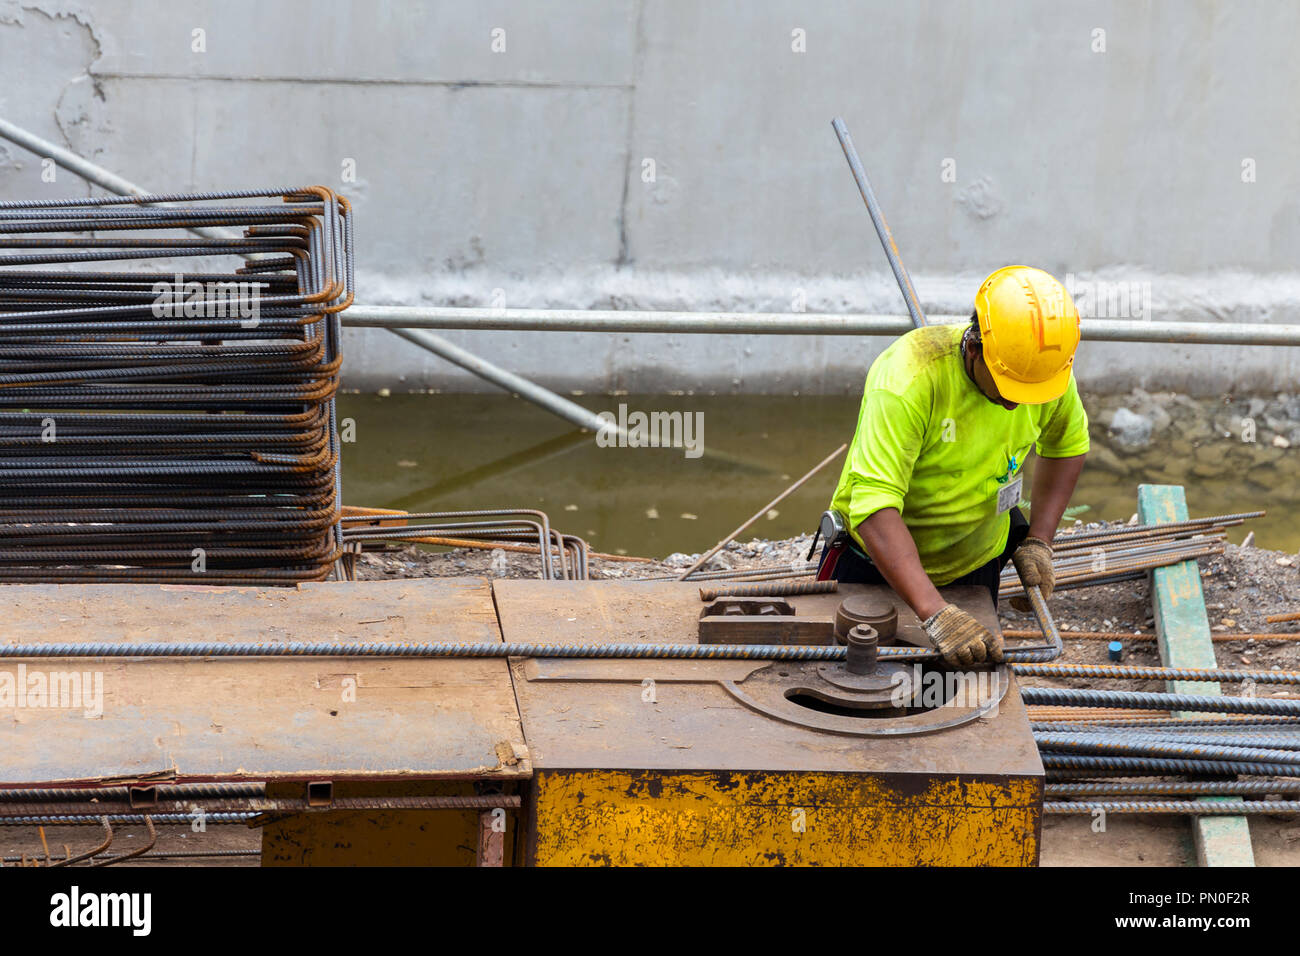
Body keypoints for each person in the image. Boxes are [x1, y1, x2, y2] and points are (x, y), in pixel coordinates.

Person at [817, 265, 1089, 667]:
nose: (1017, 404)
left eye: (1030, 393)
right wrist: (935, 613)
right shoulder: (908, 380)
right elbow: (873, 506)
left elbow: (1067, 445)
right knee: (854, 688)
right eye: (1008, 388)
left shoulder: (1040, 374)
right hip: (875, 563)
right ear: (975, 348)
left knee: (961, 696)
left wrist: (1039, 540)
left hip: (976, 561)